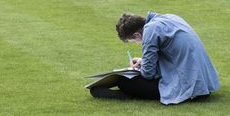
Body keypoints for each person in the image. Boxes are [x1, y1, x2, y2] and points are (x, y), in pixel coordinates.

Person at [89, 12, 219, 104]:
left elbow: (148, 74)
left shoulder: (150, 31)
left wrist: (142, 67)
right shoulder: (169, 18)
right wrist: (143, 60)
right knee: (129, 79)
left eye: (133, 41)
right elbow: (171, 53)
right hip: (204, 83)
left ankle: (127, 95)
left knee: (125, 82)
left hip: (189, 87)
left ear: (136, 34)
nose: (137, 43)